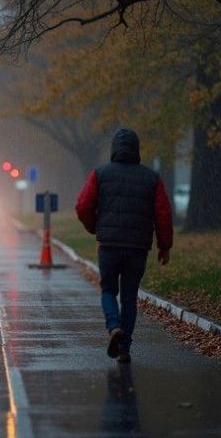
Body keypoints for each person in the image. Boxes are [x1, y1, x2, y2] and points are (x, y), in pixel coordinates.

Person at [75, 128, 172, 363]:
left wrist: (94, 227)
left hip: (109, 245)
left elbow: (83, 205)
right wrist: (164, 245)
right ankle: (124, 348)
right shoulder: (151, 178)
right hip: (138, 247)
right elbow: (163, 213)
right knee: (129, 296)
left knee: (108, 289)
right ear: (136, 149)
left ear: (114, 149)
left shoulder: (100, 174)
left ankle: (113, 326)